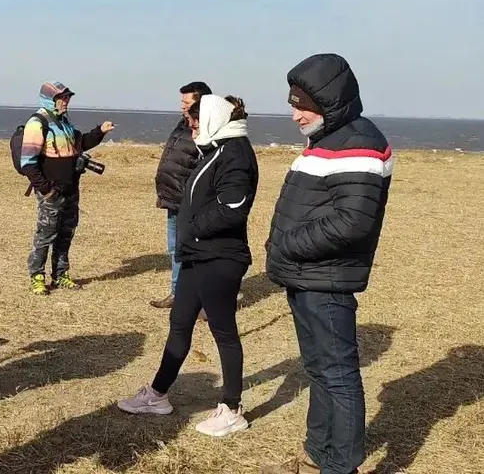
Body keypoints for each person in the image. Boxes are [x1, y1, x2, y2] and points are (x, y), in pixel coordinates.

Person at [261, 54, 393, 474]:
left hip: (326, 280)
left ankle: (342, 465)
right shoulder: (330, 138)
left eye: (301, 104)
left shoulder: (360, 143)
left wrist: (287, 245)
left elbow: (353, 222)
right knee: (318, 369)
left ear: (329, 102)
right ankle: (319, 450)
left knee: (337, 376)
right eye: (292, 103)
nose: (295, 113)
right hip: (308, 275)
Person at [119, 94, 258, 438]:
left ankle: (232, 408)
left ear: (212, 119)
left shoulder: (236, 155)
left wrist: (192, 226)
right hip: (198, 256)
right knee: (179, 322)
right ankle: (158, 395)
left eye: (196, 121)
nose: (191, 126)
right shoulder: (214, 150)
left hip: (220, 258)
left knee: (223, 331)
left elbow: (232, 208)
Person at [19, 81, 114, 295]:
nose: (66, 101)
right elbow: (28, 163)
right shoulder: (38, 123)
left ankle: (61, 275)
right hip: (52, 193)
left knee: (65, 235)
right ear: (50, 99)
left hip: (71, 190)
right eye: (62, 98)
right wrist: (46, 190)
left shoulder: (65, 123)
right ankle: (37, 276)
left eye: (68, 97)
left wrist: (100, 131)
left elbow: (80, 144)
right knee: (45, 235)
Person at [151, 81, 212, 309]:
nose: (182, 106)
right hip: (173, 197)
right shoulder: (183, 124)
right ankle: (177, 293)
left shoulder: (206, 128)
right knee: (175, 249)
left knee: (194, 251)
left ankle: (202, 300)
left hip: (191, 201)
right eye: (182, 102)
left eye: (187, 102)